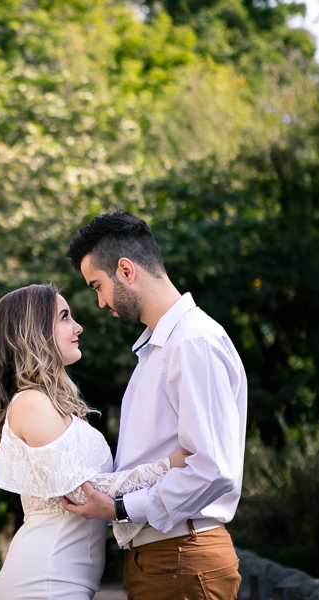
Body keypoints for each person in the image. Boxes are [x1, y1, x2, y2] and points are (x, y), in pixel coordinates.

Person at [61, 211, 246, 600]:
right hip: (163, 558)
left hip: (180, 557)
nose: (99, 302)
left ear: (126, 271)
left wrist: (122, 507)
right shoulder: (158, 349)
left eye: (98, 286)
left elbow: (213, 469)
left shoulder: (192, 343)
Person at [0, 283, 191, 600]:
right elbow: (82, 492)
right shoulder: (31, 404)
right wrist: (170, 464)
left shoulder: (53, 404)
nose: (78, 327)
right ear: (33, 332)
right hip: (46, 577)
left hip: (65, 577)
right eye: (64, 317)